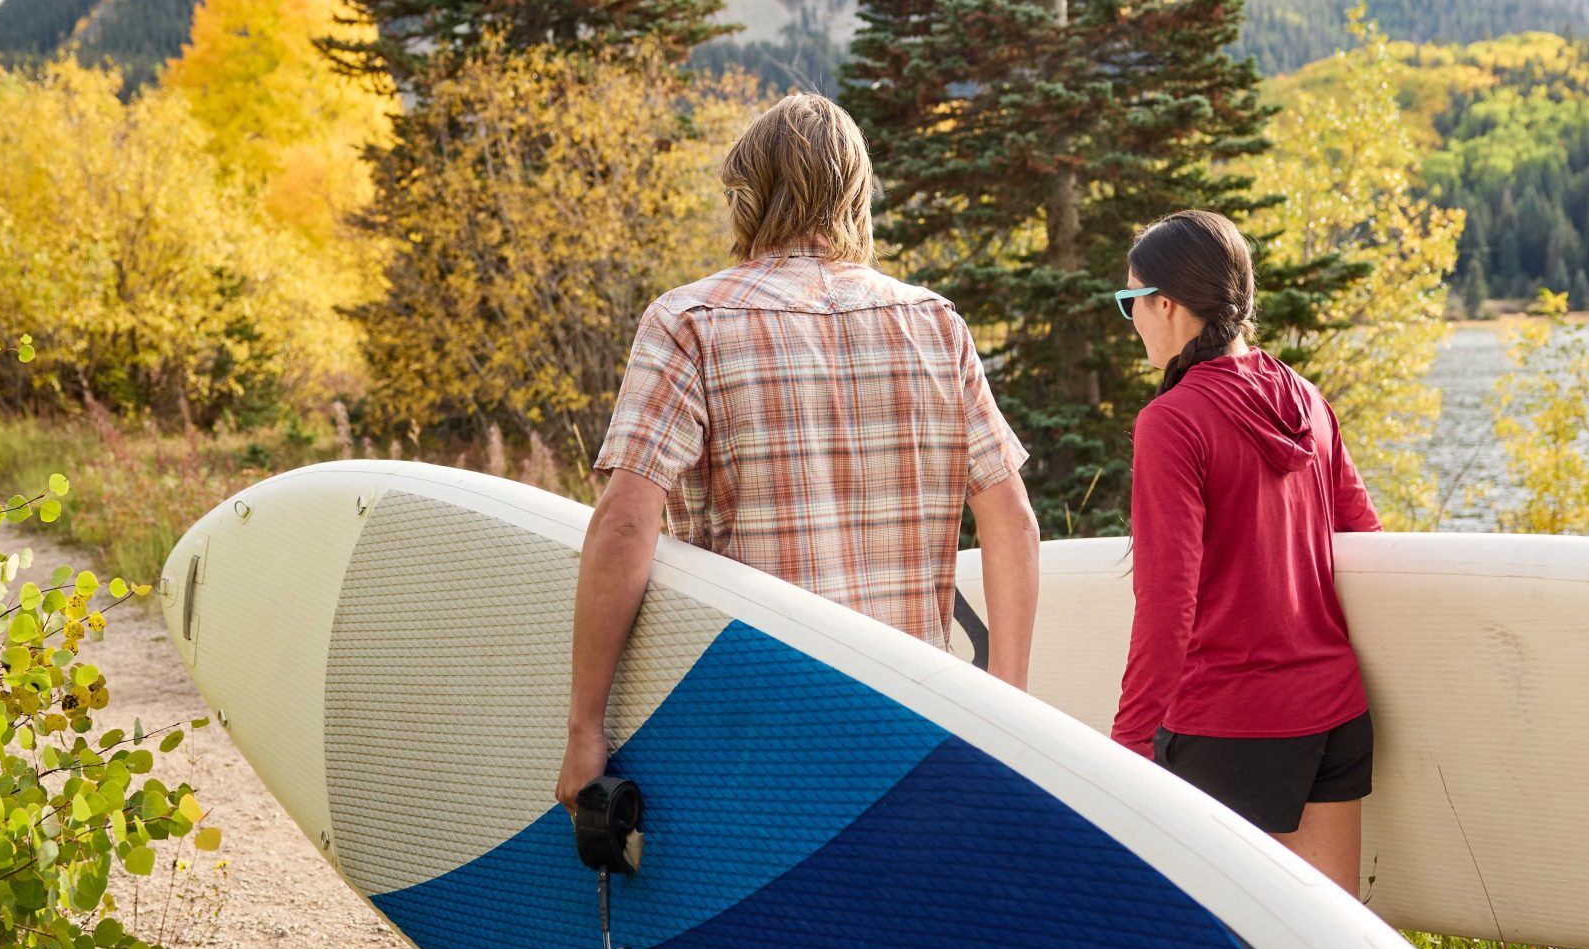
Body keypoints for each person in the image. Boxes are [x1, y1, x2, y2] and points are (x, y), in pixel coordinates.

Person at [556, 93, 1040, 809]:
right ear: (854, 195)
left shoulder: (691, 320)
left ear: (747, 195)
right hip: (911, 725)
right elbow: (1012, 521)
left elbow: (627, 521)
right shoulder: (935, 323)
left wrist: (584, 728)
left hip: (754, 729)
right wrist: (1004, 709)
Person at [1111, 210, 1382, 892]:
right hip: (1335, 712)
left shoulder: (1171, 422)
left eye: (1130, 303)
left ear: (1166, 304)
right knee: (1335, 946)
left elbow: (1168, 603)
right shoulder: (1306, 399)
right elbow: (1367, 541)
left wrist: (1129, 745)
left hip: (1227, 724)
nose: (1133, 322)